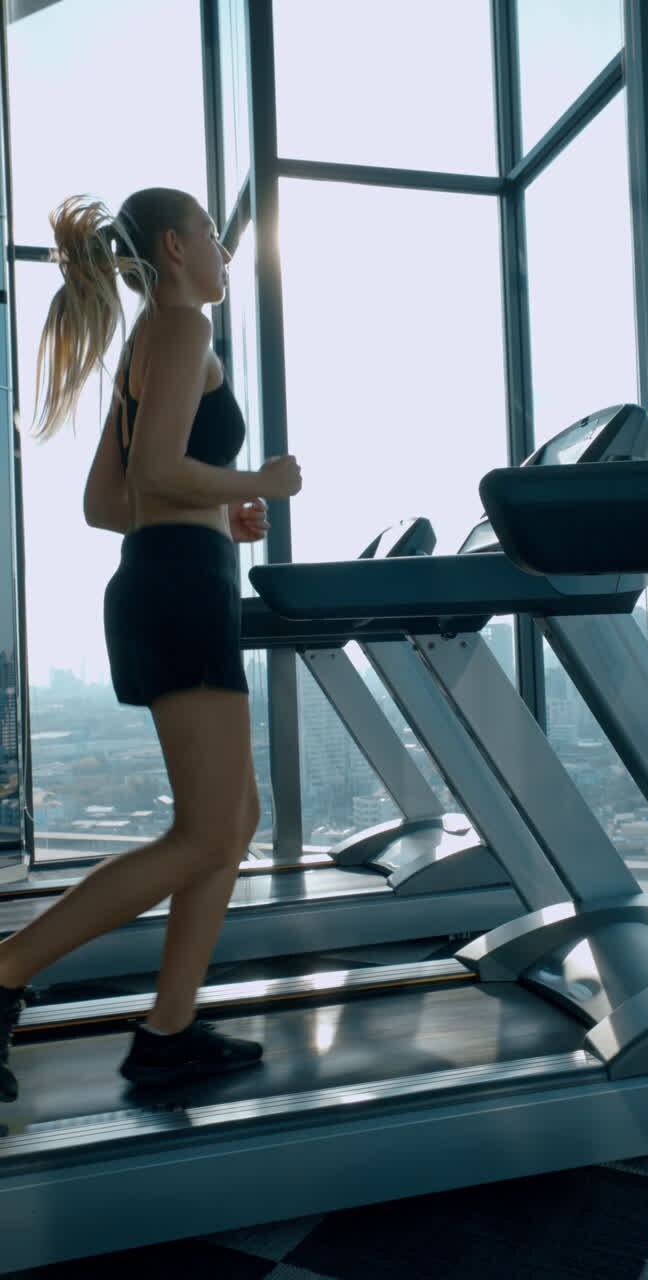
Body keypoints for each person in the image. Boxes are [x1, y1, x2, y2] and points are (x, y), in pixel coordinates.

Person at [0, 187, 302, 1101]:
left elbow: (111, 501)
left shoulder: (152, 346)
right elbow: (158, 471)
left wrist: (219, 509)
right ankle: (7, 970)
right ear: (175, 248)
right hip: (177, 592)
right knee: (207, 829)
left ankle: (169, 1029)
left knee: (231, 824)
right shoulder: (178, 334)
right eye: (212, 234)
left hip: (171, 578)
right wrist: (262, 479)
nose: (221, 249)